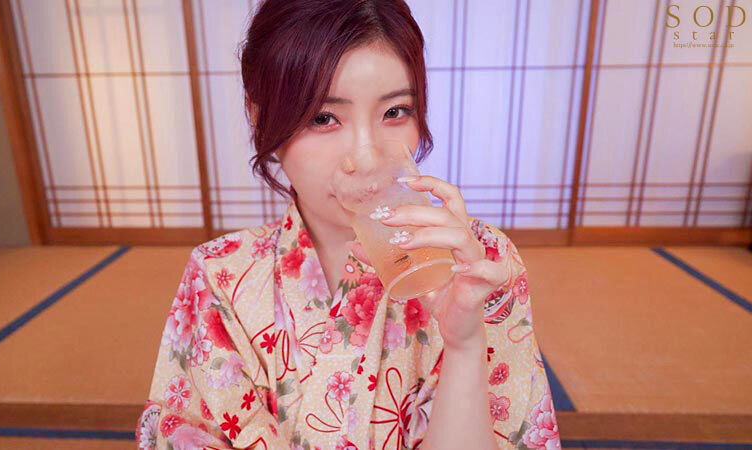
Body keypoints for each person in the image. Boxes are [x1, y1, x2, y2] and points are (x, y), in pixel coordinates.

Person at [135, 1, 560, 449]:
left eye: (395, 112)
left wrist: (465, 346)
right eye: (324, 118)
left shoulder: (482, 261)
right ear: (260, 117)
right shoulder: (220, 274)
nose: (367, 158)